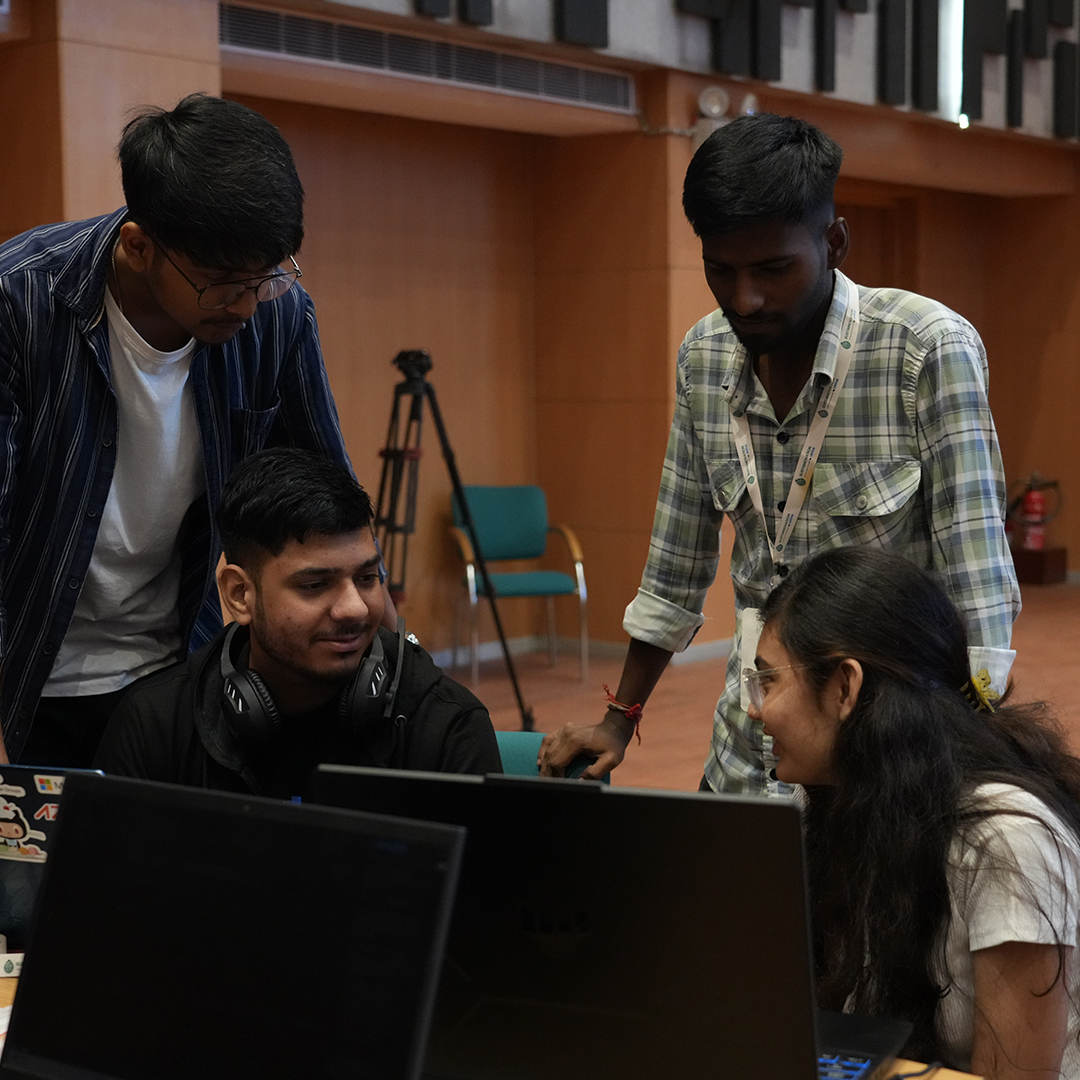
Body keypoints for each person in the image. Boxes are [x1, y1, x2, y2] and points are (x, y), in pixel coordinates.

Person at [539, 112, 1019, 793]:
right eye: (721, 270)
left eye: (773, 269)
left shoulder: (925, 349)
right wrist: (620, 719)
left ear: (834, 242)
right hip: (747, 751)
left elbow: (979, 586)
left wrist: (974, 771)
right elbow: (675, 565)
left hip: (883, 765)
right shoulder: (704, 357)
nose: (746, 298)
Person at [0, 93, 393, 767]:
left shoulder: (277, 315)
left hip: (179, 671)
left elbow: (332, 506)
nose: (246, 304)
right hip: (26, 676)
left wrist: (397, 675)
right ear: (138, 246)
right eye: (221, 283)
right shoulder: (18, 303)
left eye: (263, 277)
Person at [747, 545, 1080, 1078]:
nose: (753, 708)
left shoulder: (1009, 842)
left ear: (845, 687)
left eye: (769, 681)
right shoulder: (842, 801)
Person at [94, 448, 501, 795]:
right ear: (240, 594)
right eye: (315, 585)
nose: (355, 609)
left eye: (366, 578)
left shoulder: (446, 725)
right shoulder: (155, 726)